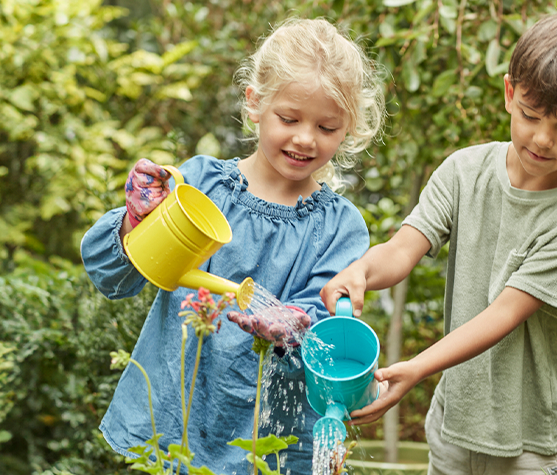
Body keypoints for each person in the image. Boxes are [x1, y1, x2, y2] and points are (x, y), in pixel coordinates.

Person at [320, 13, 557, 475]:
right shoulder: (464, 171)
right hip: (454, 427)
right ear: (509, 93)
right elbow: (403, 248)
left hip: (534, 446)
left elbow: (505, 313)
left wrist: (417, 367)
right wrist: (361, 271)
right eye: (531, 115)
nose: (543, 139)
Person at [81, 18, 384, 474]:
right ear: (255, 104)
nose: (305, 138)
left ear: (349, 129)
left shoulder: (340, 227)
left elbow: (322, 338)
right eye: (289, 118)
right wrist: (135, 221)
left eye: (326, 127)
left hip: (269, 442)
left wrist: (295, 327)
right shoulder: (199, 187)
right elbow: (111, 276)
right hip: (175, 425)